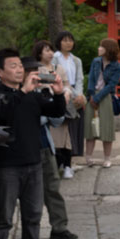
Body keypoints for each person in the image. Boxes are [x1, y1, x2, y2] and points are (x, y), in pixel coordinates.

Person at [0, 48, 66, 239]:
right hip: (7, 165)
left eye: (20, 66)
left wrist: (58, 93)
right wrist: (23, 91)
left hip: (34, 162)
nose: (19, 69)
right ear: (0, 72)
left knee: (33, 214)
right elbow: (7, 114)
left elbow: (55, 111)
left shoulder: (32, 94)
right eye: (13, 66)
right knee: (3, 216)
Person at [32, 43, 77, 239]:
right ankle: (30, 233)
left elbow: (56, 119)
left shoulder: (54, 77)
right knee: (30, 196)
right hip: (26, 149)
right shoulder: (24, 94)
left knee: (53, 188)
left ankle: (59, 227)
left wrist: (59, 98)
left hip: (44, 144)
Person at [51, 31, 86, 176]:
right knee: (61, 132)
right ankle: (61, 162)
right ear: (59, 42)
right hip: (61, 94)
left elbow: (79, 79)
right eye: (65, 40)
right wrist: (69, 92)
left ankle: (69, 163)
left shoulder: (76, 60)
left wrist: (79, 95)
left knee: (73, 131)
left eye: (70, 40)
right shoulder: (54, 58)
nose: (68, 43)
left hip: (75, 96)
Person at [85, 38, 120, 167]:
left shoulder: (116, 66)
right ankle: (88, 157)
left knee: (106, 128)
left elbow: (111, 85)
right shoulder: (96, 61)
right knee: (90, 128)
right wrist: (91, 95)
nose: (99, 49)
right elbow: (91, 78)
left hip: (105, 97)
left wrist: (98, 97)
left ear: (108, 49)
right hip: (93, 94)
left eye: (101, 47)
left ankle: (107, 158)